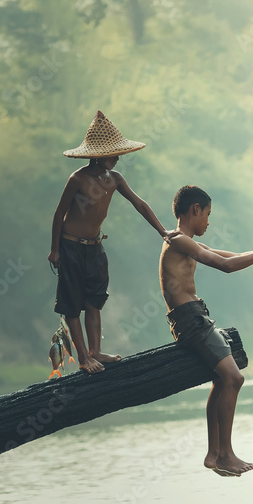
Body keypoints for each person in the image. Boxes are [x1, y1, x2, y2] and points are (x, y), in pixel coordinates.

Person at [160, 185, 253, 477]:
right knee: (234, 378)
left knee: (221, 380)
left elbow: (232, 256)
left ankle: (214, 453)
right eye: (208, 214)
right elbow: (225, 266)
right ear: (195, 209)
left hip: (195, 318)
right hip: (191, 321)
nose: (209, 222)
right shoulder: (178, 241)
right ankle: (226, 454)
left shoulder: (187, 243)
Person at [48, 110, 179, 373]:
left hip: (95, 248)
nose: (118, 158)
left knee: (94, 301)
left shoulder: (114, 179)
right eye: (113, 154)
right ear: (98, 154)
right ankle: (84, 359)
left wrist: (163, 231)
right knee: (72, 305)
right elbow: (59, 213)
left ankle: (96, 352)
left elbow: (139, 204)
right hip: (71, 246)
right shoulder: (78, 179)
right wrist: (54, 250)